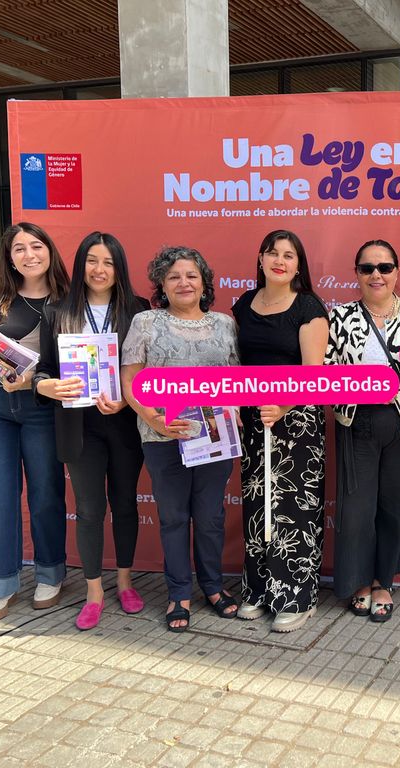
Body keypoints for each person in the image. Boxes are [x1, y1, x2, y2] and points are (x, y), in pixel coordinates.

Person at [34, 232, 150, 631]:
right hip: (78, 424)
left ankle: (125, 581)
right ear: (80, 264)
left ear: (120, 269)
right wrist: (47, 386)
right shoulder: (57, 312)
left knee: (125, 503)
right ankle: (94, 590)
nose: (100, 270)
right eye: (92, 261)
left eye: (109, 262)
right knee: (88, 509)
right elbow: (44, 370)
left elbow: (148, 369)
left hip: (125, 422)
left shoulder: (138, 310)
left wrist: (126, 399)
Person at [120, 246, 240, 632]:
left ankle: (213, 587)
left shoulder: (225, 324)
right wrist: (151, 418)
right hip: (163, 436)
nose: (183, 283)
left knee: (210, 517)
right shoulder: (146, 322)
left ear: (204, 283)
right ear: (162, 284)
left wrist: (233, 411)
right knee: (173, 518)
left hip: (214, 436)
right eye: (173, 276)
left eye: (191, 275)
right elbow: (130, 378)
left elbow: (235, 378)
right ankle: (178, 593)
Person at [0, 222, 70, 621]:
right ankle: (2, 582)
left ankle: (50, 573)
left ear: (49, 250)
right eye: (18, 248)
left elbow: (74, 360)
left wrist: (31, 380)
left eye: (36, 246)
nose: (28, 255)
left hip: (41, 405)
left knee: (46, 492)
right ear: (8, 256)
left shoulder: (67, 299)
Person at [326, 240, 400, 623]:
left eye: (385, 267)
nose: (376, 274)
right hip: (356, 422)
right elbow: (324, 370)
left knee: (395, 506)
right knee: (357, 509)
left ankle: (383, 582)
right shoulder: (340, 317)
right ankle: (358, 581)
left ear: (397, 272)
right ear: (356, 273)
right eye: (367, 268)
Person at [232, 230, 328, 632]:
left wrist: (284, 405)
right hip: (254, 420)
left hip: (296, 419)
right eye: (273, 253)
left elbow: (314, 373)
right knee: (258, 505)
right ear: (260, 258)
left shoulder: (308, 307)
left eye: (289, 255)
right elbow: (235, 364)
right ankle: (258, 590)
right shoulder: (243, 305)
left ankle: (297, 596)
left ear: (298, 265)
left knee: (293, 508)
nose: (280, 261)